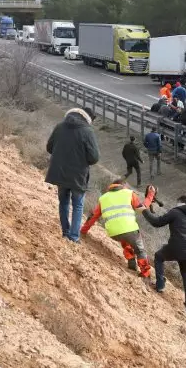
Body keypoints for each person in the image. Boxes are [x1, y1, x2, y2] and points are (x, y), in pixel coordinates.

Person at [141, 192, 186, 318]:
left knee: (159, 256)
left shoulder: (175, 212)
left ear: (179, 202)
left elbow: (156, 222)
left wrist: (144, 210)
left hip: (174, 248)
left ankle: (160, 285)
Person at [80, 179, 155, 280]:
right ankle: (145, 274)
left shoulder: (103, 198)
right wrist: (150, 195)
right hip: (130, 230)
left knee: (125, 237)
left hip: (113, 233)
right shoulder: (129, 193)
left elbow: (93, 216)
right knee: (140, 250)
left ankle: (131, 261)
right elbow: (142, 208)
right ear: (123, 185)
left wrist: (83, 231)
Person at [46, 107, 100, 242]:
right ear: (88, 119)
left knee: (63, 202)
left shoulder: (60, 126)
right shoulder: (87, 131)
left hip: (60, 171)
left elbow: (49, 147)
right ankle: (74, 237)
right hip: (78, 175)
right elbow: (94, 158)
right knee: (78, 205)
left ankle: (65, 232)